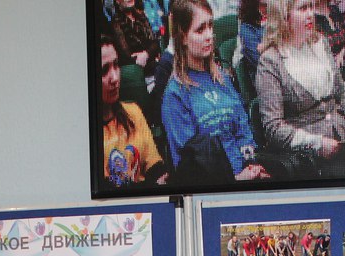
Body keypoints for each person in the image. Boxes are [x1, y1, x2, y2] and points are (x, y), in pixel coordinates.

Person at [255, 0, 345, 178]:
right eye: (302, 9)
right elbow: (273, 128)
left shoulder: (320, 43)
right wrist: (317, 143)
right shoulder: (270, 61)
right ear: (284, 16)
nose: (310, 14)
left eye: (311, 7)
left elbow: (341, 91)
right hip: (310, 152)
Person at [162, 0, 272, 183]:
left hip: (248, 172)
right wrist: (235, 179)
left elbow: (243, 129)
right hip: (216, 185)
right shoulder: (175, 95)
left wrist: (251, 164)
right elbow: (188, 165)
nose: (209, 35)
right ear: (182, 37)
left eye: (210, 26)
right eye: (200, 30)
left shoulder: (222, 78)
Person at [99, 34, 169, 189]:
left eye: (116, 65)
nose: (115, 78)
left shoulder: (133, 112)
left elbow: (155, 168)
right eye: (104, 71)